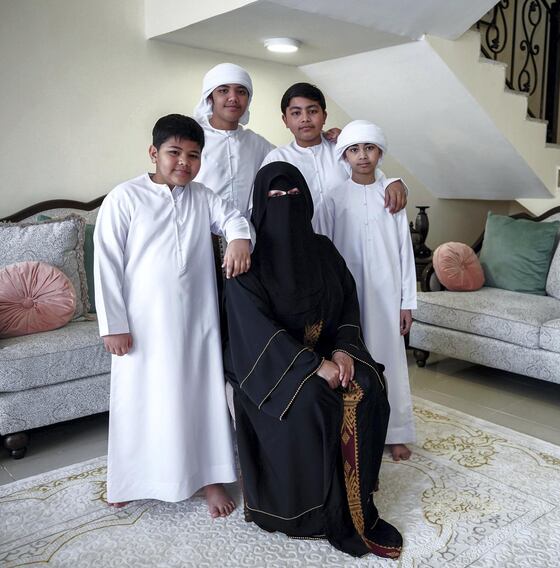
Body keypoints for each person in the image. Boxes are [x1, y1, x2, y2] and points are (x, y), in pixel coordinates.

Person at [223, 161, 402, 559]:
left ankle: (357, 498)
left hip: (327, 352)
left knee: (370, 386)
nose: (285, 203)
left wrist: (342, 350)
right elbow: (251, 330)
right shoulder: (248, 259)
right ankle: (309, 512)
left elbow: (346, 307)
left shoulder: (322, 249)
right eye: (275, 197)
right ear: (260, 206)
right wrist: (311, 366)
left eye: (293, 196)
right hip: (269, 364)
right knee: (312, 401)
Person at [93, 114, 253, 517]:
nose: (184, 161)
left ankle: (210, 478)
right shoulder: (124, 197)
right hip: (143, 325)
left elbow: (234, 218)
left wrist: (237, 240)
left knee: (202, 398)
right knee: (141, 401)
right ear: (154, 153)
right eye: (174, 152)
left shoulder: (203, 196)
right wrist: (114, 325)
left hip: (197, 322)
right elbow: (107, 263)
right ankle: (129, 478)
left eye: (193, 155)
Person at [325, 120, 417, 461]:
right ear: (344, 156)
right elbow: (327, 249)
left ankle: (396, 431)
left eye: (369, 148)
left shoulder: (392, 195)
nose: (362, 156)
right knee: (350, 357)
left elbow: (404, 251)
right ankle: (352, 428)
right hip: (346, 295)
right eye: (354, 149)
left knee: (389, 358)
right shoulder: (334, 197)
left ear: (380, 152)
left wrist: (407, 302)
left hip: (386, 293)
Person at [261, 82, 407, 236]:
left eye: (312, 111)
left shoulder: (342, 151)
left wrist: (391, 184)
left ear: (324, 116)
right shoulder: (277, 160)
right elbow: (263, 207)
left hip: (350, 238)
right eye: (296, 113)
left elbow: (371, 180)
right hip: (299, 244)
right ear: (285, 120)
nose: (305, 119)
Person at [193, 63, 275, 215]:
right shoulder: (192, 138)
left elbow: (293, 158)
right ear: (210, 97)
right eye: (223, 91)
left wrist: (324, 137)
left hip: (246, 234)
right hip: (201, 232)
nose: (233, 98)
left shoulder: (258, 144)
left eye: (241, 91)